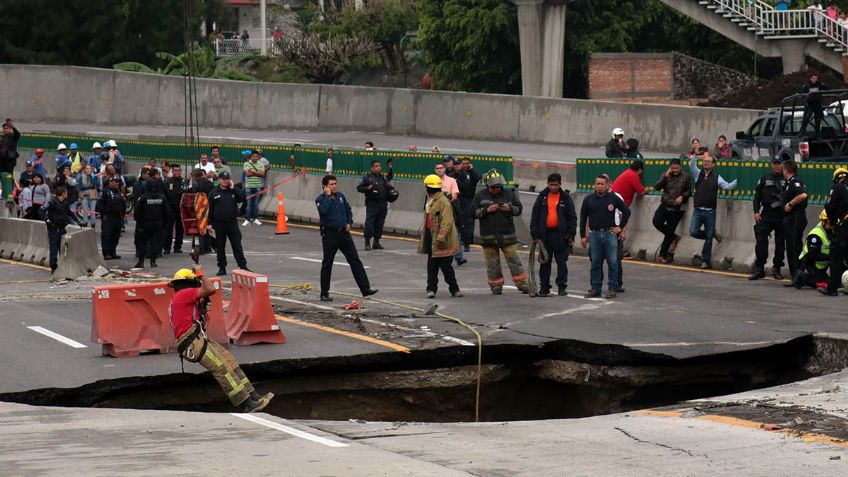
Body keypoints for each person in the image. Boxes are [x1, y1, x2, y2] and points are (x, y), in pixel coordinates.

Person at [167, 266, 273, 413]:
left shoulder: (182, 298)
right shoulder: (184, 294)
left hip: (198, 338)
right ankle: (246, 403)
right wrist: (201, 273)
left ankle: (253, 396)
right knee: (221, 369)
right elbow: (210, 289)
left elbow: (204, 317)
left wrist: (203, 306)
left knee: (229, 362)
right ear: (191, 283)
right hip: (192, 342)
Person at [315, 175, 378, 302]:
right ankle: (324, 292)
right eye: (331, 184)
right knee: (327, 263)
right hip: (330, 235)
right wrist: (327, 196)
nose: (334, 186)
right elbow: (323, 211)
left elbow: (348, 210)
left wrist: (349, 222)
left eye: (335, 184)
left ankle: (365, 289)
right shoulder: (320, 199)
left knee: (355, 260)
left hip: (343, 234)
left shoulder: (340, 196)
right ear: (325, 186)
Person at [471, 171, 528, 295]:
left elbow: (518, 209)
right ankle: (496, 285)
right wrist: (486, 210)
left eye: (498, 187)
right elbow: (472, 212)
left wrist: (510, 208)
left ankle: (522, 284)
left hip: (507, 236)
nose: (496, 189)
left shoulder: (509, 195)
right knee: (492, 264)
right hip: (489, 237)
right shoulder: (480, 195)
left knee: (514, 261)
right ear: (487, 185)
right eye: (493, 187)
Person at [580, 175, 630, 298]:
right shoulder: (588, 199)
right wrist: (583, 236)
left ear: (608, 185)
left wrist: (620, 227)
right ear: (594, 185)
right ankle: (595, 288)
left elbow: (627, 211)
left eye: (602, 184)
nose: (600, 186)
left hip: (610, 234)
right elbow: (583, 218)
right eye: (598, 184)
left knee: (613, 262)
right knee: (596, 262)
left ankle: (612, 288)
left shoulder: (613, 198)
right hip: (594, 234)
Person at [530, 173, 577, 296]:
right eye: (551, 185)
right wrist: (535, 235)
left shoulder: (565, 198)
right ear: (547, 184)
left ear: (560, 184)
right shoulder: (542, 197)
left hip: (561, 236)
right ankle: (544, 287)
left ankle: (562, 286)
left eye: (555, 185)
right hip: (545, 235)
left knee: (561, 262)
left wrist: (571, 234)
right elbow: (535, 216)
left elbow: (572, 217)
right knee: (545, 261)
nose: (553, 187)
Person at [689, 153, 737, 269]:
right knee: (693, 232)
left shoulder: (717, 177)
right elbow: (692, 165)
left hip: (710, 211)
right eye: (705, 161)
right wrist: (695, 155)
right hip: (698, 210)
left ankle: (706, 260)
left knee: (708, 238)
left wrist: (738, 180)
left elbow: (727, 186)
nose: (706, 162)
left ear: (713, 164)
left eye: (708, 161)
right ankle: (711, 235)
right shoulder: (698, 174)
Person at [418, 174, 463, 298]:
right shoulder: (429, 199)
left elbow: (447, 222)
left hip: (442, 240)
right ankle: (431, 289)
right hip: (431, 237)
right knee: (431, 266)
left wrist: (441, 237)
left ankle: (454, 289)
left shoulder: (443, 201)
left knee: (446, 266)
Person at [610, 160, 647, 291]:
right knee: (616, 253)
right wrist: (648, 188)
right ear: (640, 170)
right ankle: (616, 284)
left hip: (616, 210)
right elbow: (641, 191)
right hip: (620, 211)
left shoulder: (627, 173)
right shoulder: (633, 176)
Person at [749, 158, 787, 280]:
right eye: (775, 164)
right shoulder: (765, 179)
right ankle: (760, 268)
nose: (776, 166)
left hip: (781, 214)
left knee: (780, 243)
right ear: (772, 165)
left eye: (779, 164)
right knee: (760, 240)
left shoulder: (786, 179)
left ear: (782, 165)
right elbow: (757, 197)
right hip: (767, 213)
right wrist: (756, 212)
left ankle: (777, 268)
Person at [652, 157, 692, 264]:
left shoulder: (686, 176)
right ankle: (674, 237)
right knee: (656, 222)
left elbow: (689, 191)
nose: (675, 170)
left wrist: (682, 197)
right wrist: (665, 177)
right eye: (673, 168)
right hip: (665, 205)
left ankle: (662, 255)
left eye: (677, 168)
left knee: (669, 231)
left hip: (677, 209)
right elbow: (656, 187)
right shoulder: (665, 175)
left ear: (681, 167)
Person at [209, 172, 249, 276]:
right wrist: (209, 223)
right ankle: (222, 267)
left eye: (227, 179)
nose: (225, 181)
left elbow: (242, 198)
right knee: (220, 246)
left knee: (237, 245)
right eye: (223, 179)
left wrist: (234, 188)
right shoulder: (213, 192)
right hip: (219, 224)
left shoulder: (233, 190)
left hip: (232, 223)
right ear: (219, 179)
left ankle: (242, 266)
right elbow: (209, 209)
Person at [821, 168, 848, 296]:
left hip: (843, 228)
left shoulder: (837, 188)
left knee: (836, 257)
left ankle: (832, 287)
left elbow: (829, 207)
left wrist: (832, 221)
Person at [781, 159, 809, 286]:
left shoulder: (795, 182)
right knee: (791, 246)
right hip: (791, 218)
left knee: (795, 246)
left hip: (796, 217)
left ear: (786, 170)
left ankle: (799, 275)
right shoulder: (788, 183)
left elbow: (803, 195)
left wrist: (790, 204)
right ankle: (796, 276)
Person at [357, 159, 394, 250]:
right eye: (376, 166)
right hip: (372, 204)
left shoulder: (383, 178)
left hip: (383, 203)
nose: (378, 167)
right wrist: (368, 188)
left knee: (380, 223)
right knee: (370, 223)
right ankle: (367, 242)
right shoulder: (368, 178)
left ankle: (376, 242)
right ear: (372, 168)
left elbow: (390, 177)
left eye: (380, 166)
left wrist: (390, 186)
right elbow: (359, 188)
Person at [435, 161, 466, 265]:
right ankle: (442, 256)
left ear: (444, 169)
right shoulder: (432, 181)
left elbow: (454, 196)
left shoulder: (452, 180)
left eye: (441, 168)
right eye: (437, 168)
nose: (439, 170)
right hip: (437, 211)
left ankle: (459, 257)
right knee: (440, 233)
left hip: (450, 209)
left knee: (455, 233)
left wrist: (446, 202)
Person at [42, 186, 79, 273]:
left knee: (62, 248)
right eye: (66, 192)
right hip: (54, 229)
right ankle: (53, 267)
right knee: (54, 249)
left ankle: (62, 266)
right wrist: (47, 220)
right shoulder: (52, 202)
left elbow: (70, 213)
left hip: (63, 228)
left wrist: (78, 220)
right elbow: (42, 210)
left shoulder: (65, 203)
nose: (67, 194)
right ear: (63, 193)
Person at [133, 179, 168, 269]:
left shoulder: (143, 197)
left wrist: (138, 222)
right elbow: (167, 212)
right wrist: (164, 223)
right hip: (158, 223)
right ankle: (153, 261)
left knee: (142, 243)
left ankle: (141, 262)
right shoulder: (162, 197)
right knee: (155, 242)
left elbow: (137, 211)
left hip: (145, 223)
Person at [795, 210, 833, 289]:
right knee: (821, 283)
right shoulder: (816, 235)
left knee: (833, 280)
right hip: (808, 262)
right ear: (823, 221)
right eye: (830, 221)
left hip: (821, 264)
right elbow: (812, 254)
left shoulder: (832, 230)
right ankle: (802, 277)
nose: (832, 224)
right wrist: (830, 257)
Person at [97, 176, 126, 260]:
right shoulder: (105, 191)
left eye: (117, 182)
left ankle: (113, 252)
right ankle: (106, 253)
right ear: (109, 182)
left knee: (115, 236)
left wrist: (123, 214)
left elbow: (122, 203)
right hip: (108, 217)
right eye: (114, 182)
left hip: (118, 217)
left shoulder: (118, 191)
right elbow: (100, 204)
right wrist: (103, 214)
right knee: (107, 235)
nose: (116, 183)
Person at [456, 157, 481, 252]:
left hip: (469, 200)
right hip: (459, 199)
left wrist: (472, 170)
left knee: (469, 222)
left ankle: (467, 243)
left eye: (467, 163)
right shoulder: (459, 173)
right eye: (463, 163)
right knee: (460, 221)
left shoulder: (472, 173)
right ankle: (461, 241)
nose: (465, 165)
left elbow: (478, 178)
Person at [189, 168, 215, 254]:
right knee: (207, 227)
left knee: (200, 229)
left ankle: (201, 249)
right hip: (209, 207)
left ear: (195, 176)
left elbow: (190, 193)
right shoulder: (210, 183)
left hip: (200, 208)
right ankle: (208, 247)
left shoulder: (197, 185)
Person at [163, 164, 186, 255]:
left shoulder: (184, 182)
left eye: (178, 170)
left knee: (180, 229)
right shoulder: (167, 181)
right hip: (170, 207)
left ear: (180, 171)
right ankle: (167, 248)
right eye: (175, 170)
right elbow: (164, 194)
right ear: (172, 171)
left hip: (180, 208)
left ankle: (177, 247)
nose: (177, 172)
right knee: (168, 228)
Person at [799, 73, 828, 137]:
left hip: (817, 104)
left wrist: (822, 84)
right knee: (807, 117)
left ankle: (818, 135)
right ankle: (802, 131)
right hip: (809, 104)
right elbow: (801, 93)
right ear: (810, 78)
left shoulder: (819, 85)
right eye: (814, 78)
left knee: (818, 119)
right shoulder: (806, 86)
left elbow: (828, 88)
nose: (815, 80)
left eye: (816, 78)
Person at [242, 150, 265, 226]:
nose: (255, 158)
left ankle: (255, 218)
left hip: (258, 186)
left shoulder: (261, 164)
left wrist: (253, 172)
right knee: (248, 204)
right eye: (253, 156)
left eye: (256, 156)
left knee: (255, 204)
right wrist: (258, 173)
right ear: (251, 157)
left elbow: (262, 174)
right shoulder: (246, 163)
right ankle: (247, 219)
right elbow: (247, 174)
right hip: (249, 186)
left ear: (258, 157)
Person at [0, 119, 21, 204]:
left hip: (10, 161)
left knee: (8, 177)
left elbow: (18, 134)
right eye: (4, 128)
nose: (5, 129)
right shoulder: (1, 138)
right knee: (2, 177)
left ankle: (9, 195)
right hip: (1, 161)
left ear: (10, 129)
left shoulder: (13, 137)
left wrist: (13, 126)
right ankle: (4, 195)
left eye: (7, 128)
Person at [76, 164, 100, 228]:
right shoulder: (81, 177)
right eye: (87, 168)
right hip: (84, 196)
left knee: (92, 212)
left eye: (89, 168)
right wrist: (89, 186)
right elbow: (81, 187)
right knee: (85, 212)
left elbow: (94, 185)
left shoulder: (94, 176)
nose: (88, 169)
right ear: (85, 170)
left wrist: (90, 177)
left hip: (93, 197)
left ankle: (93, 225)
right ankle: (85, 225)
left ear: (91, 170)